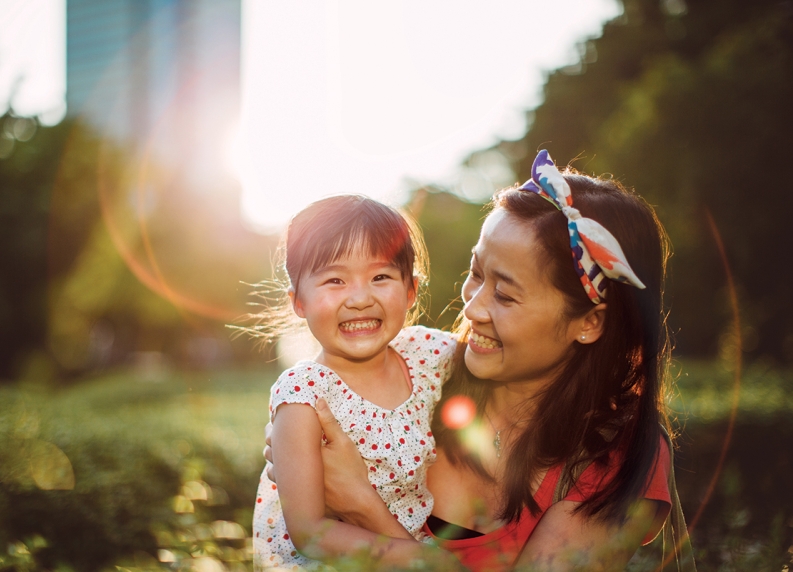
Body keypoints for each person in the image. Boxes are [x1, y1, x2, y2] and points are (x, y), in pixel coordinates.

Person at [264, 150, 695, 571]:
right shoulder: (420, 376)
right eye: (475, 274)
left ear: (588, 322)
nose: (471, 310)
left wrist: (363, 507)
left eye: (505, 294)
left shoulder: (610, 457)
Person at [249, 195, 458, 569]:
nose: (360, 298)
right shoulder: (304, 395)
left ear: (410, 290)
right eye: (335, 280)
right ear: (299, 302)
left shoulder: (426, 354)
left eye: (381, 277)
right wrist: (423, 563)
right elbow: (311, 532)